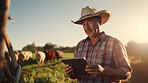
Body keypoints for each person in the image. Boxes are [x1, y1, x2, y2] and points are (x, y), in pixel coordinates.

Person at [65, 6, 133, 83]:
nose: (87, 28)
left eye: (90, 22)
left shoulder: (115, 43)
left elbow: (127, 73)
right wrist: (71, 74)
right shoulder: (79, 46)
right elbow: (75, 76)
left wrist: (104, 71)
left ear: (100, 22)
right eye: (84, 25)